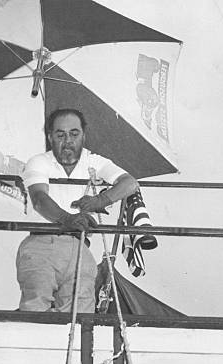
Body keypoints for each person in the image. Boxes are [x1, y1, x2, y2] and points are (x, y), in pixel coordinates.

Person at [16, 108, 139, 312]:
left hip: (80, 247)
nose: (68, 140)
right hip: (42, 243)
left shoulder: (94, 161)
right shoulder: (39, 161)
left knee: (82, 316)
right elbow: (39, 199)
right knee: (35, 310)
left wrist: (101, 199)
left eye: (74, 133)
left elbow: (130, 183)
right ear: (50, 137)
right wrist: (67, 218)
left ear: (84, 135)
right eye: (60, 134)